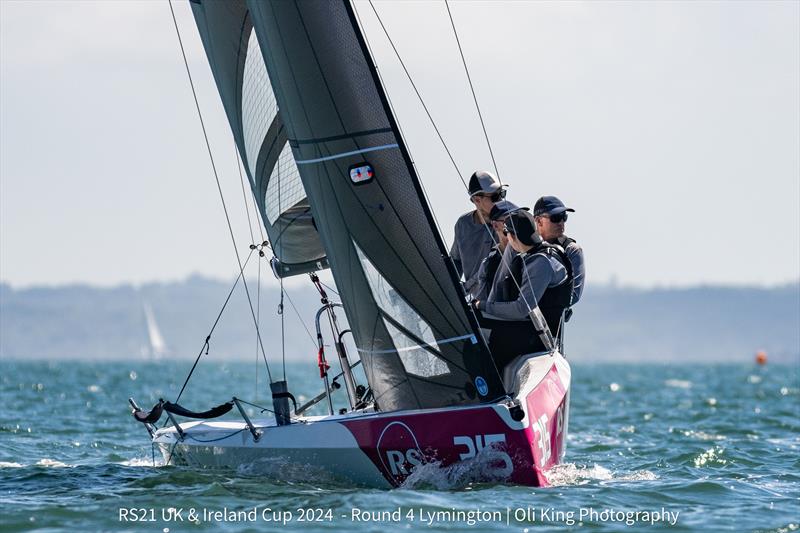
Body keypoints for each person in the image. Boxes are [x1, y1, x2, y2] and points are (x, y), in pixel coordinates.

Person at [471, 210, 572, 370]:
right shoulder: (534, 254)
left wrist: (481, 305)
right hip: (530, 328)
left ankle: (486, 387)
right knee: (472, 315)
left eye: (506, 232)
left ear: (512, 236)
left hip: (540, 339)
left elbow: (521, 309)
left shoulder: (541, 263)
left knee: (473, 318)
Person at [450, 170, 507, 297]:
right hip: (477, 304)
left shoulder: (508, 221)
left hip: (502, 302)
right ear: (477, 200)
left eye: (502, 193)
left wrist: (466, 287)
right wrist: (450, 290)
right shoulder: (462, 224)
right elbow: (455, 261)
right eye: (495, 197)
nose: (501, 200)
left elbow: (493, 264)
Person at [533, 196, 585, 305]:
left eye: (564, 217)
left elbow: (573, 296)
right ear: (539, 221)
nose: (561, 222)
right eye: (556, 218)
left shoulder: (572, 250)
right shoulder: (523, 245)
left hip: (551, 320)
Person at [473, 200, 519, 301]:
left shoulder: (530, 253)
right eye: (508, 220)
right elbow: (481, 299)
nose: (514, 224)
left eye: (516, 219)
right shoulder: (488, 263)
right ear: (495, 225)